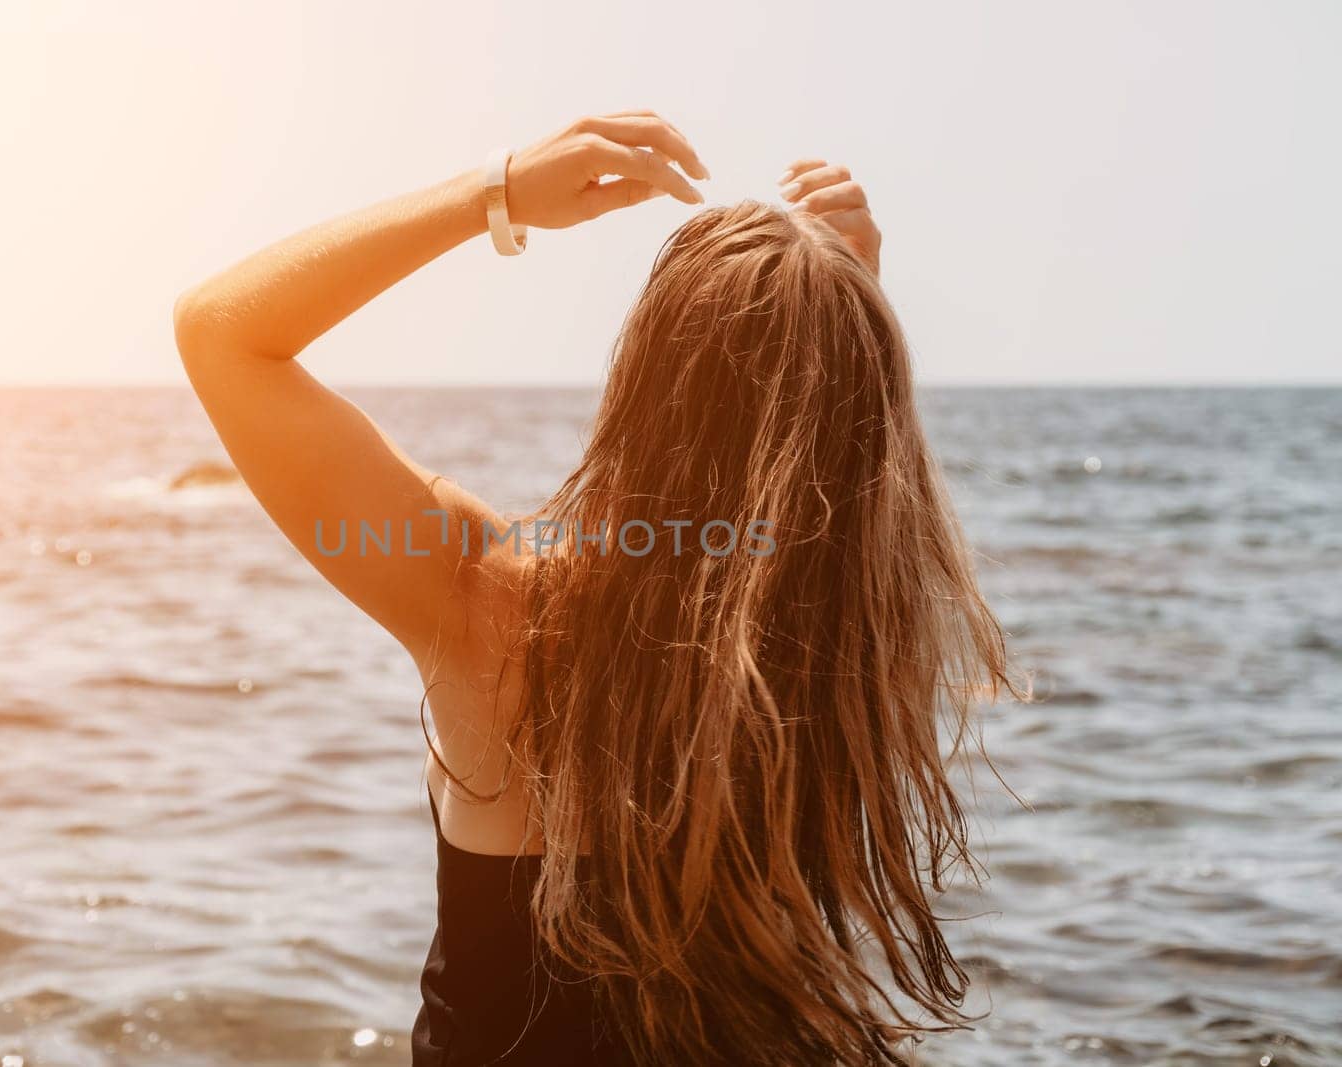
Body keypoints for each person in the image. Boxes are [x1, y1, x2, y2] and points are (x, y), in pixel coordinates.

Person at [173, 110, 1017, 1066]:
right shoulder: (848, 654)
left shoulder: (501, 617)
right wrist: (838, 306)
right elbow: (840, 501)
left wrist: (494, 192)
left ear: (645, 388)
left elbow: (223, 332)